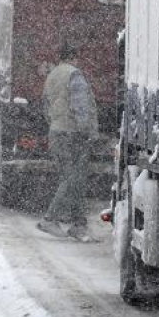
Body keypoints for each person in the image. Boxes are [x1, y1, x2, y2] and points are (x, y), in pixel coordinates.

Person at [37, 41, 99, 242]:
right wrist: (87, 131)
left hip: (56, 131)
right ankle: (50, 218)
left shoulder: (52, 76)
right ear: (74, 57)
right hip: (73, 135)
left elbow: (46, 106)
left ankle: (79, 225)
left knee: (73, 178)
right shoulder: (75, 75)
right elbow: (80, 106)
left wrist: (55, 123)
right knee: (72, 178)